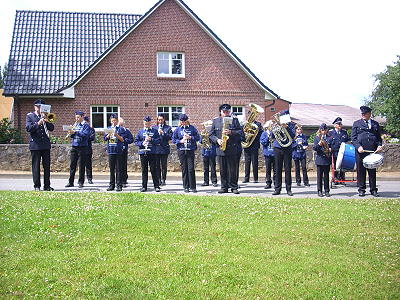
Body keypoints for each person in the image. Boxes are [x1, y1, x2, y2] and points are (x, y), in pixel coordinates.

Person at [209, 104, 244, 194]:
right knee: (222, 169)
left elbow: (241, 133)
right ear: (220, 112)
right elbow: (211, 135)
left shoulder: (235, 120)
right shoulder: (216, 121)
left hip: (232, 149)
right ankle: (224, 187)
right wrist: (217, 140)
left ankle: (234, 187)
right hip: (220, 149)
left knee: (233, 169)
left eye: (227, 111)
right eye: (224, 112)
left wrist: (231, 132)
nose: (225, 113)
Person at [351, 106, 383, 197]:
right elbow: (353, 138)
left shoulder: (375, 124)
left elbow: (378, 138)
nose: (363, 115)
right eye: (362, 114)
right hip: (361, 151)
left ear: (369, 114)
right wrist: (358, 147)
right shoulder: (357, 123)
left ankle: (373, 189)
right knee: (361, 171)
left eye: (365, 114)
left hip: (372, 151)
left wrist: (379, 146)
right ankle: (361, 189)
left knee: (372, 170)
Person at [25, 99, 55, 191]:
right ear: (35, 107)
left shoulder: (48, 116)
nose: (39, 108)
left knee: (47, 166)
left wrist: (46, 120)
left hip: (45, 145)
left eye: (41, 107)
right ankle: (37, 186)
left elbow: (52, 128)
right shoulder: (30, 116)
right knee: (36, 166)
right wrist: (38, 123)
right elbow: (28, 128)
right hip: (35, 145)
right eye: (38, 106)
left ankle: (47, 185)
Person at [172, 114, 200, 193]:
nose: (183, 123)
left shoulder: (192, 128)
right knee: (184, 169)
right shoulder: (177, 129)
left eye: (184, 121)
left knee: (191, 169)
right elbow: (173, 139)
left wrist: (190, 137)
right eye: (182, 121)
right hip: (181, 150)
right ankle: (186, 186)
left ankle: (193, 187)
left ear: (187, 121)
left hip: (190, 149)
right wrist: (180, 141)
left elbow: (198, 137)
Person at [271, 109, 296, 196]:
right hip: (278, 147)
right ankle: (277, 189)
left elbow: (293, 135)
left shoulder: (292, 125)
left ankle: (289, 189)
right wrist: (274, 128)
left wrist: (286, 127)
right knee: (277, 169)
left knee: (288, 169)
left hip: (287, 148)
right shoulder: (276, 125)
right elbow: (272, 136)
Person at [135, 116, 161, 192]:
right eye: (145, 124)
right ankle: (144, 186)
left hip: (152, 152)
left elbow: (158, 141)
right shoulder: (140, 132)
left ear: (150, 123)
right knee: (144, 170)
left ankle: (156, 186)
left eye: (148, 123)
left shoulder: (154, 131)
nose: (147, 125)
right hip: (143, 152)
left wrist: (151, 139)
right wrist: (142, 143)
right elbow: (136, 142)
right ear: (143, 123)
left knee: (154, 169)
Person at [65, 111, 90, 188]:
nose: (76, 119)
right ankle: (70, 182)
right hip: (74, 146)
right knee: (72, 165)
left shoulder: (86, 125)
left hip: (82, 147)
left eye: (78, 117)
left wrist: (75, 132)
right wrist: (70, 133)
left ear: (82, 117)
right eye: (76, 117)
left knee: (81, 165)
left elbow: (85, 135)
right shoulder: (75, 125)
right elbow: (73, 136)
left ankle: (81, 182)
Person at [104, 114, 126, 192]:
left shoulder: (121, 129)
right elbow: (105, 138)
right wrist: (108, 136)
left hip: (118, 150)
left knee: (119, 169)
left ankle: (119, 185)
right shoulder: (109, 128)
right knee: (112, 169)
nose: (113, 122)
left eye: (115, 121)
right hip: (111, 150)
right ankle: (111, 185)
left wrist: (116, 135)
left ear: (117, 121)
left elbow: (123, 139)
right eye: (112, 121)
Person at [313, 123, 332, 197]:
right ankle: (319, 190)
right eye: (322, 130)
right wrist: (319, 145)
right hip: (320, 159)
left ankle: (327, 190)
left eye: (325, 130)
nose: (323, 131)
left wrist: (331, 149)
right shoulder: (317, 138)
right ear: (320, 130)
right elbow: (314, 148)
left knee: (326, 176)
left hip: (327, 158)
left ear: (327, 130)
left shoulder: (329, 138)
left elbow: (333, 146)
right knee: (319, 176)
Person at [153, 115, 173, 186]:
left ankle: (163, 179)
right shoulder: (154, 128)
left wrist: (163, 133)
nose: (160, 121)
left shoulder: (168, 128)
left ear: (164, 120)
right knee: (157, 165)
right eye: (159, 120)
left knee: (164, 165)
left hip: (164, 148)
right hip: (156, 149)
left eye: (161, 120)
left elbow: (170, 137)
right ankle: (158, 179)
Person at [329, 117, 349, 182]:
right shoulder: (331, 132)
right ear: (335, 125)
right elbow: (329, 142)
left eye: (341, 124)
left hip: (343, 151)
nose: (340, 125)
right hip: (335, 151)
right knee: (335, 165)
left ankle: (342, 178)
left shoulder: (344, 132)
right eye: (338, 124)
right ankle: (335, 178)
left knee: (342, 165)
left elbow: (347, 141)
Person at [242, 118, 262, 183]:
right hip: (247, 145)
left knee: (255, 163)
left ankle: (255, 179)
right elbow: (242, 133)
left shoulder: (258, 124)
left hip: (254, 145)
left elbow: (260, 134)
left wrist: (253, 134)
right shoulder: (245, 124)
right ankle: (246, 178)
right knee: (247, 162)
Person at [199, 121, 217, 187]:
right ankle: (206, 181)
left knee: (213, 167)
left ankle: (214, 181)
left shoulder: (214, 133)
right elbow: (200, 141)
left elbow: (215, 141)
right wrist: (203, 137)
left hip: (212, 152)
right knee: (205, 168)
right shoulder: (203, 132)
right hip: (205, 152)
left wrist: (210, 136)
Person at [260, 121, 276, 189]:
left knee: (276, 170)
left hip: (275, 153)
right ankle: (268, 183)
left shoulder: (275, 133)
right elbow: (262, 142)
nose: (272, 126)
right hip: (267, 153)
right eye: (271, 125)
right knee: (268, 169)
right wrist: (268, 137)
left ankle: (276, 183)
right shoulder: (264, 133)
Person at [118, 117, 134, 187]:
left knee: (124, 165)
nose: (121, 126)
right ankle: (118, 180)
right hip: (117, 150)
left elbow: (131, 139)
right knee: (118, 166)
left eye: (122, 124)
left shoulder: (126, 131)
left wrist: (124, 140)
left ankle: (124, 180)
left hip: (124, 150)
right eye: (120, 125)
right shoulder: (116, 130)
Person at [84, 116, 95, 184]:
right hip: (80, 148)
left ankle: (89, 178)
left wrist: (84, 135)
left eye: (86, 122)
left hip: (88, 148)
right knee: (80, 164)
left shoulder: (91, 129)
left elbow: (92, 138)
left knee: (88, 164)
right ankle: (80, 179)